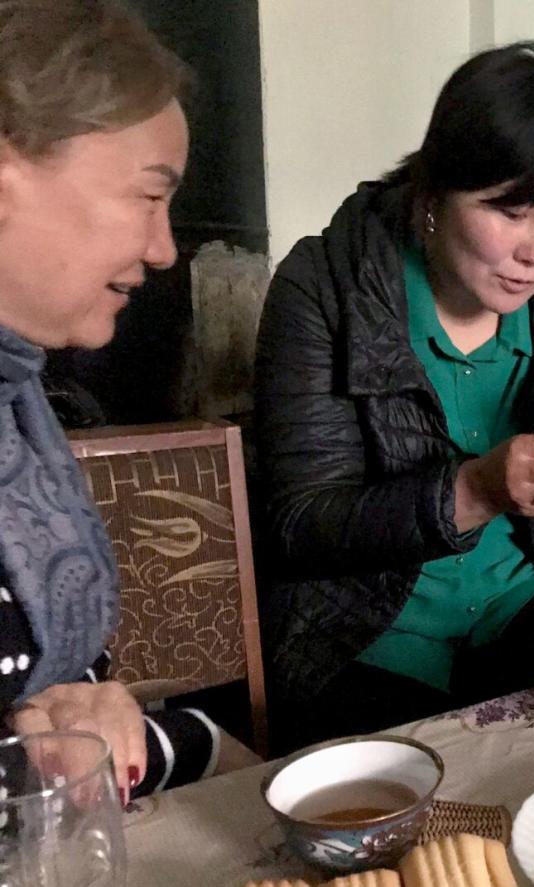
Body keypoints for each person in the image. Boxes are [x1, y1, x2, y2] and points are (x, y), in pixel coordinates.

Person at [254, 42, 534, 751]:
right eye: (511, 212)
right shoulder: (324, 286)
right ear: (432, 198)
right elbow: (300, 522)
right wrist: (475, 487)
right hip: (363, 623)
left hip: (516, 596)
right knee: (395, 826)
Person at [0, 0, 223, 800]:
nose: (164, 249)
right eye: (147, 196)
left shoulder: (22, 406)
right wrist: (196, 746)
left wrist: (110, 724)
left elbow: (59, 711)